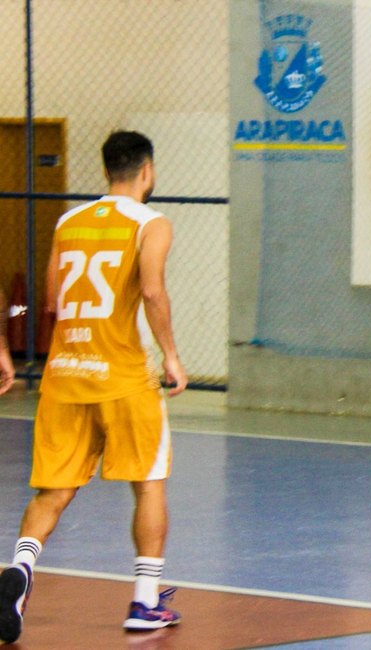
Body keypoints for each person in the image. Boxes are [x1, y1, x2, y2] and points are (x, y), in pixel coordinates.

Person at [0, 131, 188, 644]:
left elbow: (52, 302)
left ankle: (18, 571)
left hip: (66, 378)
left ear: (108, 171)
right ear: (146, 172)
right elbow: (151, 289)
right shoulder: (152, 224)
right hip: (126, 378)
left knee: (52, 492)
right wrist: (171, 355)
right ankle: (145, 602)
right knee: (148, 482)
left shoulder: (67, 222)